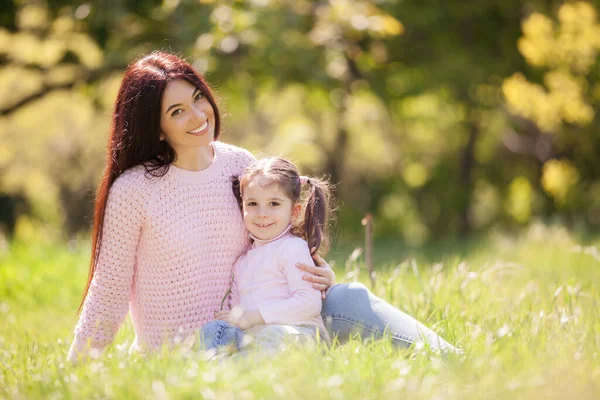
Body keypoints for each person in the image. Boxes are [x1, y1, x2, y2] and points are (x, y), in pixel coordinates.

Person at [67, 51, 456, 364]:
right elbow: (109, 291)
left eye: (197, 98)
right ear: (154, 127)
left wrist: (316, 271)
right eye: (177, 111)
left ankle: (460, 363)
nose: (199, 115)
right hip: (198, 352)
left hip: (266, 326)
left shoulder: (238, 164)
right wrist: (76, 372)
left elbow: (274, 240)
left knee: (348, 296)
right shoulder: (134, 190)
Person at [200, 157, 333, 352]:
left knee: (274, 335)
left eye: (274, 204)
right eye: (252, 204)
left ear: (294, 211)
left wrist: (253, 317)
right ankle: (217, 371)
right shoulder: (241, 262)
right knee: (215, 329)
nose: (262, 213)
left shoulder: (292, 248)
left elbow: (309, 304)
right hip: (254, 339)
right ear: (242, 208)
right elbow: (239, 314)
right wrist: (234, 319)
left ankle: (245, 368)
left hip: (300, 332)